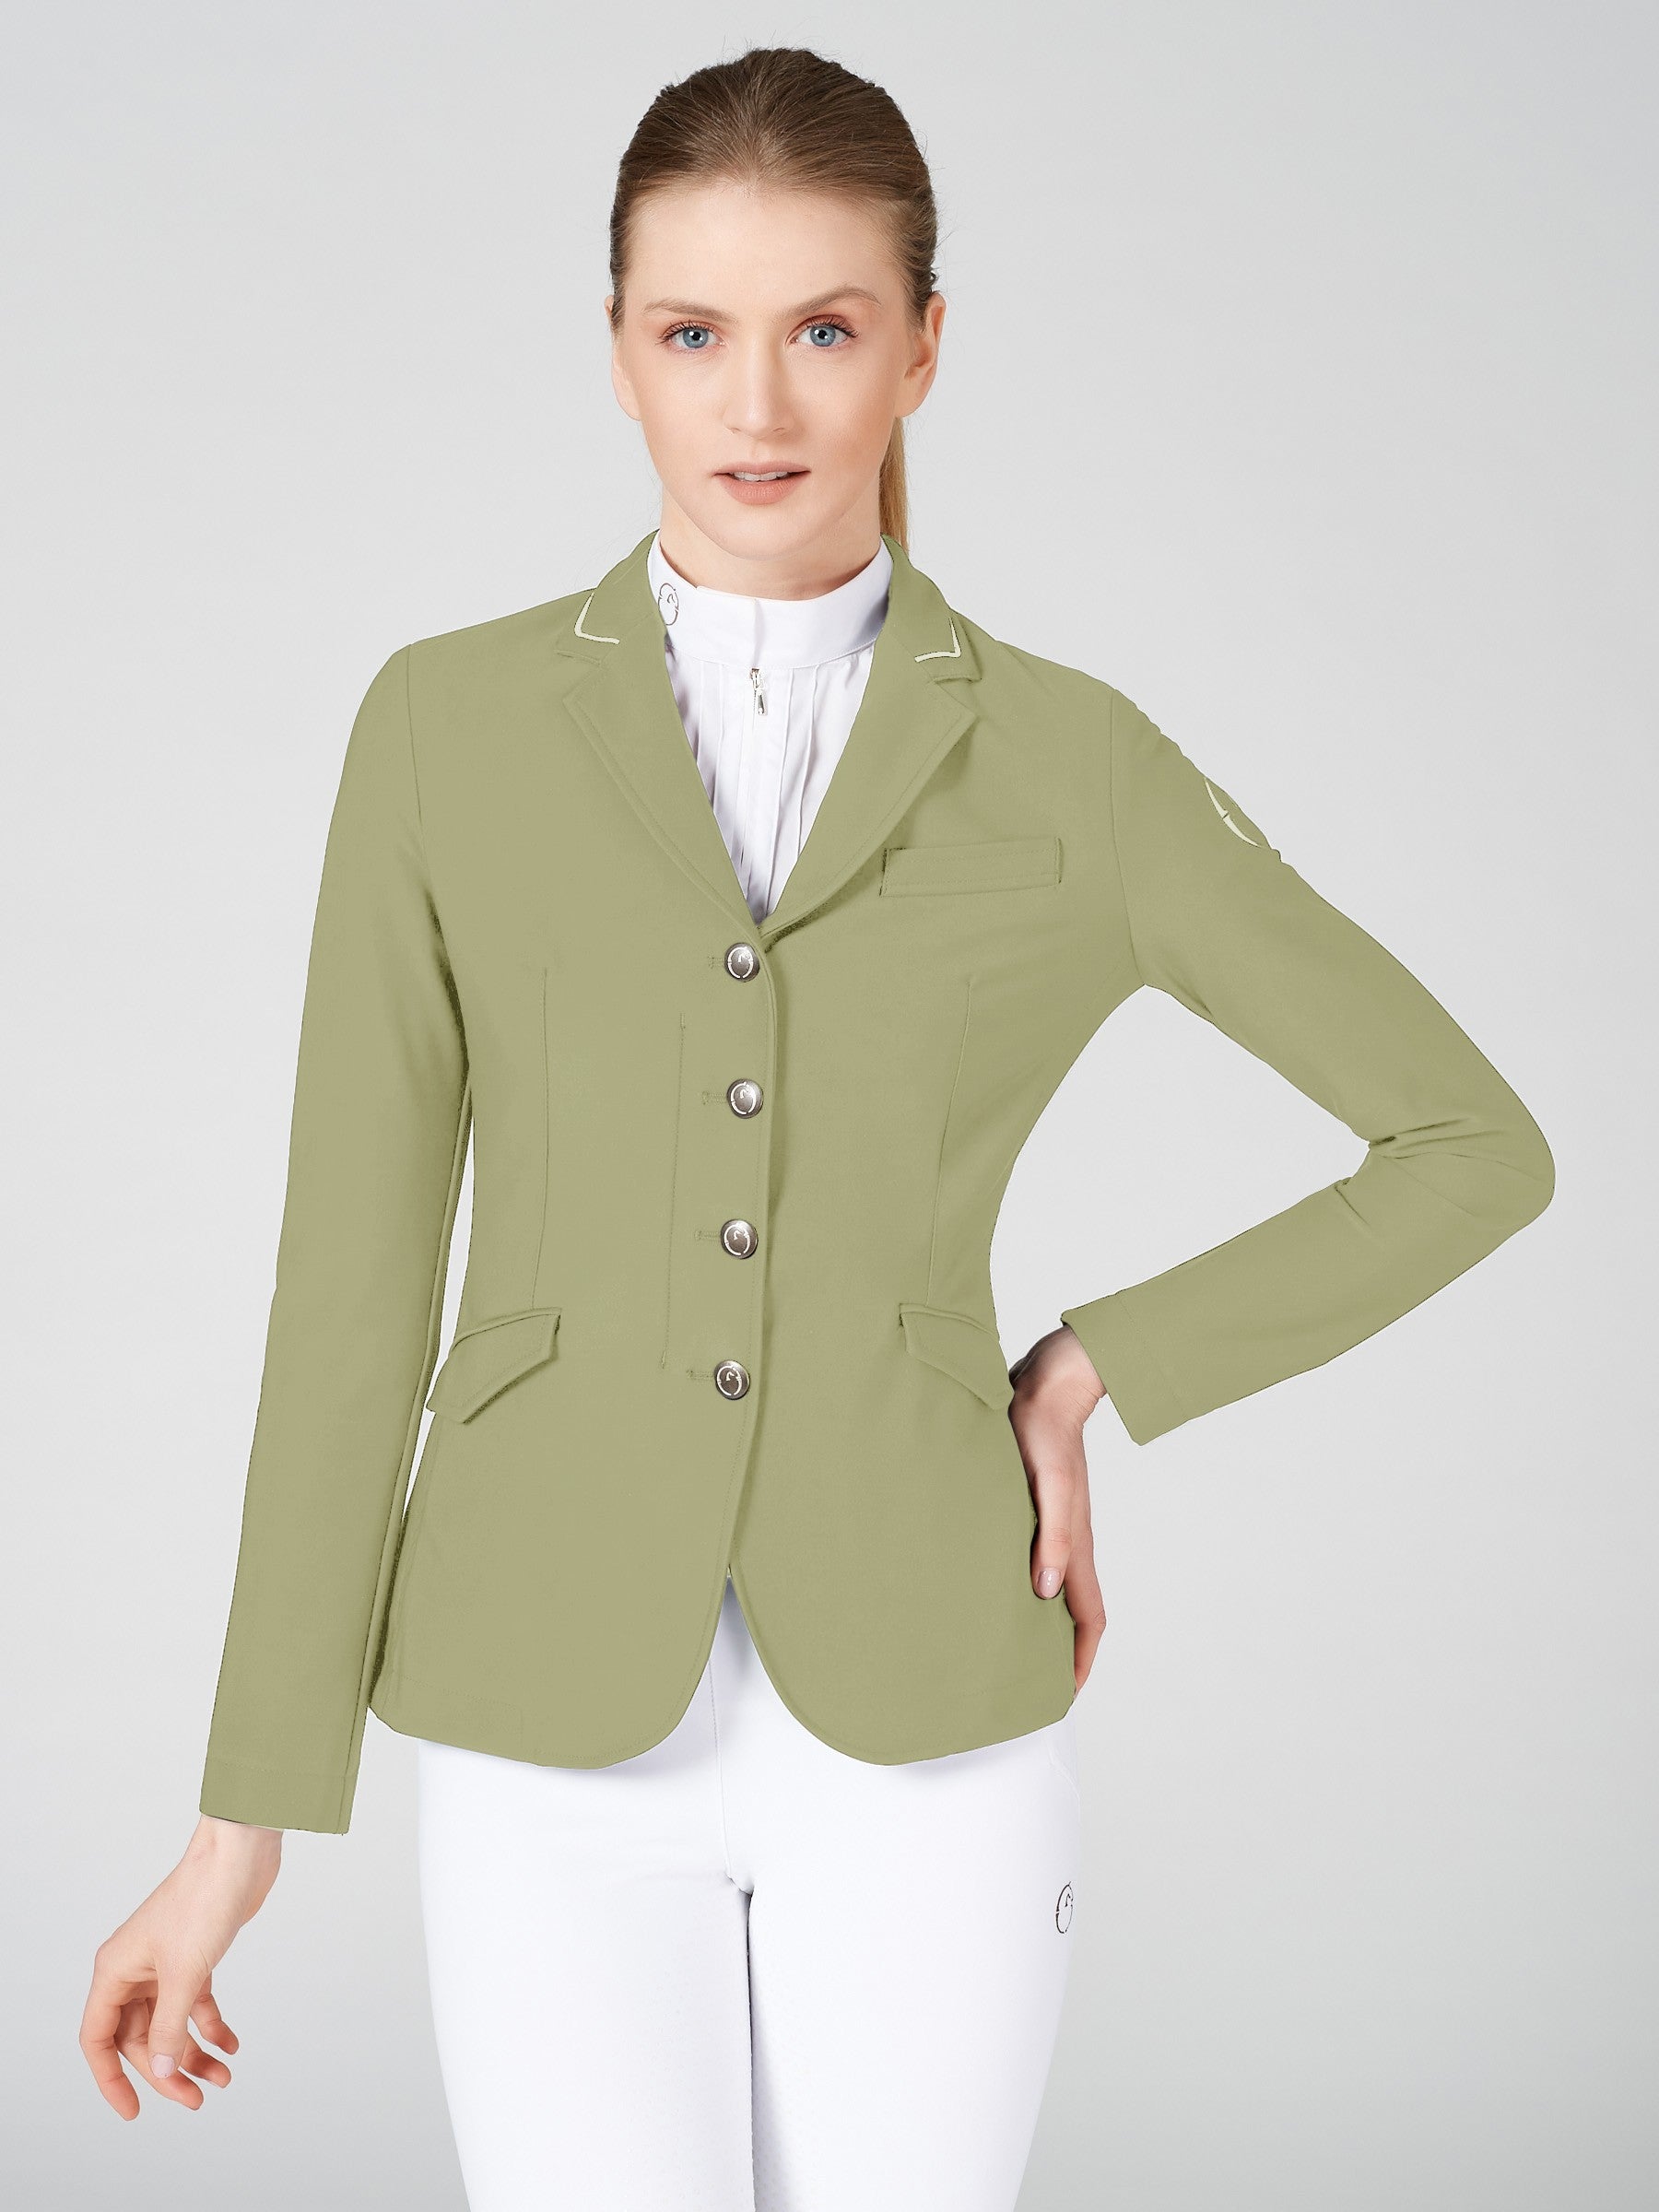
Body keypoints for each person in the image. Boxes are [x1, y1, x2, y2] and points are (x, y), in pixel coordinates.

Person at [79, 43, 1555, 2212]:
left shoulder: (1071, 761)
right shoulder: (442, 731)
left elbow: (1469, 1141)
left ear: (924, 349)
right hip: (539, 1718)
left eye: (826, 331)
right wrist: (242, 1824)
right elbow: (351, 1296)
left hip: (931, 1722)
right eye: (694, 333)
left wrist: (1093, 1369)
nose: (756, 403)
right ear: (616, 351)